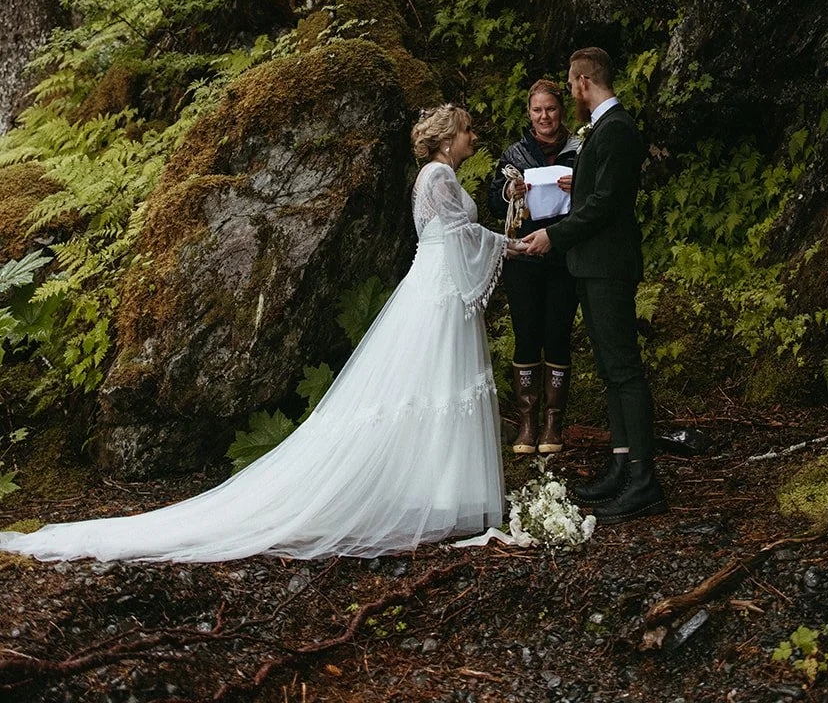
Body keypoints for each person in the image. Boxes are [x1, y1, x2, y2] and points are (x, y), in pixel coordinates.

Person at [0, 105, 517, 563]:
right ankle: (435, 496)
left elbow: (453, 234)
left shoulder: (436, 175)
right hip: (439, 288)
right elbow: (457, 234)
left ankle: (439, 495)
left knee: (436, 388)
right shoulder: (438, 176)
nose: (473, 137)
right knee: (435, 386)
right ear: (446, 139)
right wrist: (511, 246)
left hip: (440, 286)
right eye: (467, 130)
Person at [520, 47, 666, 522]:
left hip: (608, 266)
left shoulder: (617, 129)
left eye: (570, 85)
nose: (571, 93)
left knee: (624, 370)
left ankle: (643, 480)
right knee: (609, 369)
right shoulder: (601, 129)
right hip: (590, 266)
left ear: (583, 82)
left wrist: (554, 235)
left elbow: (606, 204)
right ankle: (621, 463)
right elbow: (595, 193)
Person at [487, 79, 581, 456]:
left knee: (557, 334)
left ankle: (553, 422)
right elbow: (494, 202)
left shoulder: (580, 150)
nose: (545, 116)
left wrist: (580, 185)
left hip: (563, 256)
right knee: (526, 335)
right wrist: (509, 192)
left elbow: (598, 198)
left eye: (551, 109)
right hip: (523, 257)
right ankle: (527, 422)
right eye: (537, 110)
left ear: (561, 110)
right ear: (528, 113)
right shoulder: (515, 154)